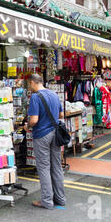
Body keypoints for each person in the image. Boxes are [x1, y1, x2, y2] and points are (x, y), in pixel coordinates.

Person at [23, 74, 66, 210]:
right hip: (55, 134)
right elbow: (61, 115)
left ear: (32, 83)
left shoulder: (35, 97)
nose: (29, 87)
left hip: (42, 135)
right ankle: (60, 199)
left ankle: (47, 201)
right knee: (56, 166)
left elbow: (34, 120)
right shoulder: (53, 94)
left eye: (29, 85)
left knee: (43, 167)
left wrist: (27, 126)